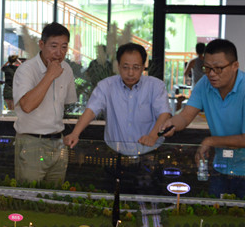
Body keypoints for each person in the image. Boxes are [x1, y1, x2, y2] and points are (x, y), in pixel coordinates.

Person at [161, 38, 245, 198]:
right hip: (222, 165)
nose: (212, 74)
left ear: (235, 66)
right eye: (207, 68)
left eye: (219, 69)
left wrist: (210, 141)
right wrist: (171, 123)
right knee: (214, 210)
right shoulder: (204, 84)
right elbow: (185, 116)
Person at [64, 43, 171, 156]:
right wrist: (75, 133)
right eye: (125, 67)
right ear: (118, 66)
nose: (130, 73)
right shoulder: (106, 86)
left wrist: (152, 136)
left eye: (136, 67)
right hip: (114, 153)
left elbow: (164, 113)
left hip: (150, 152)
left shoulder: (156, 86)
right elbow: (91, 110)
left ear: (143, 66)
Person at [12, 22, 77, 185]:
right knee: (29, 194)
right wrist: (49, 75)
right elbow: (27, 106)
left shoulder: (67, 69)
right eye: (54, 46)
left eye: (64, 47)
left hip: (59, 143)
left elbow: (68, 104)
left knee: (54, 195)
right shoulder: (26, 70)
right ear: (41, 45)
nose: (59, 53)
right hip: (31, 143)